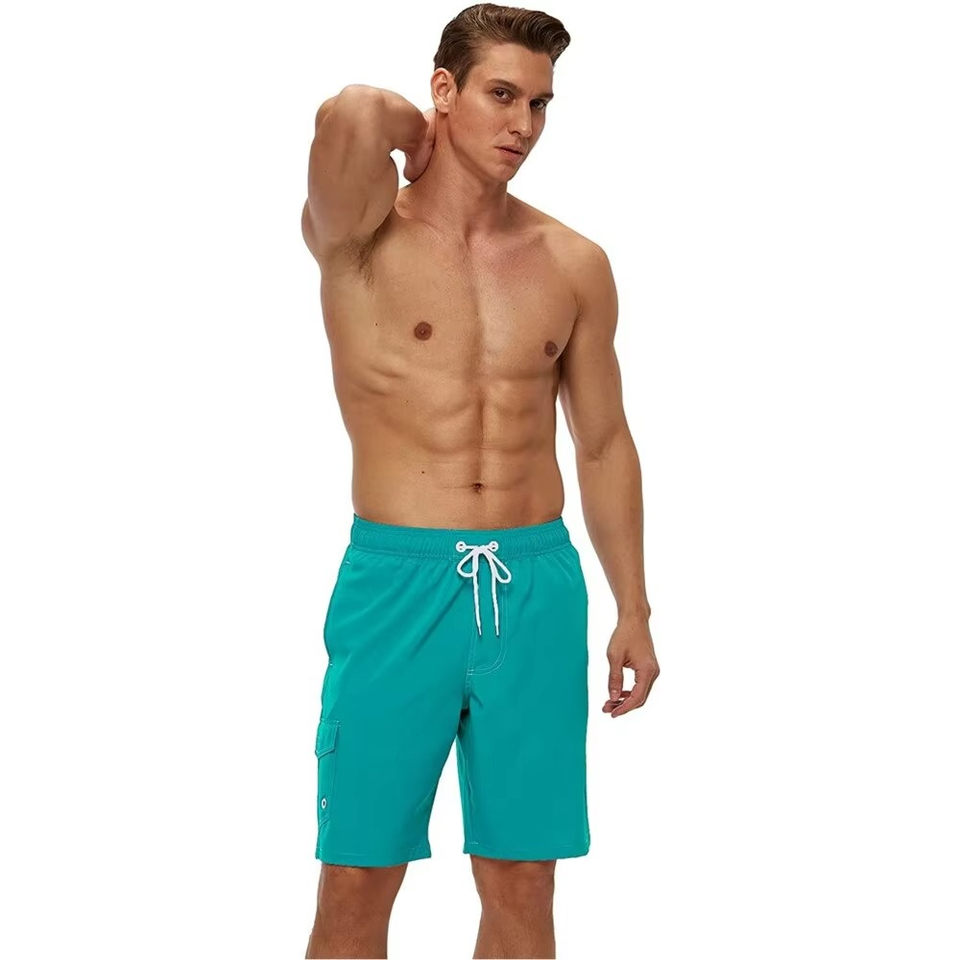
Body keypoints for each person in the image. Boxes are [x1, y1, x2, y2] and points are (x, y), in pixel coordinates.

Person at [300, 4, 658, 957]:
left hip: (535, 586)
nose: (523, 125)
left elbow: (603, 442)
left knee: (524, 883)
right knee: (356, 879)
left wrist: (633, 607)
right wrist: (420, 135)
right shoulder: (357, 236)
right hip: (398, 586)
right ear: (444, 90)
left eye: (540, 104)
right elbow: (349, 113)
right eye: (501, 95)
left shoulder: (573, 263)